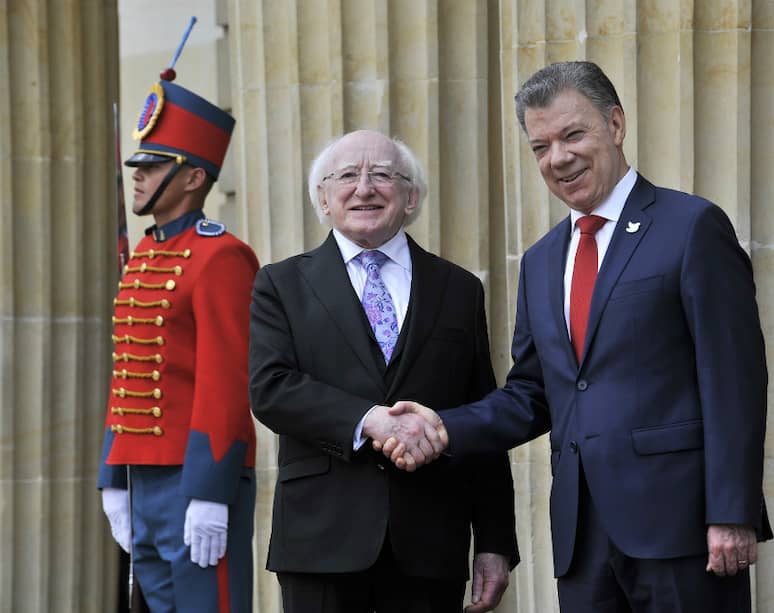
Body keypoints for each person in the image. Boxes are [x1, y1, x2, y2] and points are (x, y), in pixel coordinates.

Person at [380, 61, 773, 612]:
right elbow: (532, 394)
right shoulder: (541, 261)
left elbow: (734, 380)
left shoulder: (691, 228)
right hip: (582, 540)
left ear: (616, 125)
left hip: (682, 529)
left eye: (572, 135)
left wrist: (732, 512)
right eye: (540, 146)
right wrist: (444, 426)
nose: (558, 158)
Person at [247, 129, 520, 613]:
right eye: (347, 176)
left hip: (431, 541)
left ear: (411, 196)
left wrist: (496, 540)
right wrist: (369, 419)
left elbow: (483, 415)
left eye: (383, 175)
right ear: (323, 198)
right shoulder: (280, 284)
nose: (365, 188)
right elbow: (271, 388)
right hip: (320, 541)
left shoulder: (457, 288)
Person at [98, 69, 259, 612]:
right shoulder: (143, 256)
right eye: (138, 167)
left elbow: (227, 381)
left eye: (153, 167)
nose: (138, 178)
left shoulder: (222, 256)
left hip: (194, 478)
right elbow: (126, 369)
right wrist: (111, 474)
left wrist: (210, 490)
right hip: (141, 474)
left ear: (192, 178)